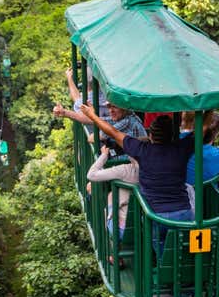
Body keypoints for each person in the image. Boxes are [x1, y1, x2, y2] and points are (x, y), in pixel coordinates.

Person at [80, 103, 193, 260]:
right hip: (184, 213)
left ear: (151, 136)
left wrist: (92, 115)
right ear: (173, 135)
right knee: (184, 246)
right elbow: (203, 130)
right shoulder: (183, 147)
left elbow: (112, 132)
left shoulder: (141, 150)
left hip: (157, 215)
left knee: (160, 245)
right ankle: (184, 270)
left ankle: (164, 270)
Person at [87, 144, 139, 242]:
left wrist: (104, 155)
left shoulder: (126, 170)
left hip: (122, 232)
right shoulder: (158, 169)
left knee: (111, 197)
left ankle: (112, 247)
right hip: (147, 227)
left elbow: (91, 175)